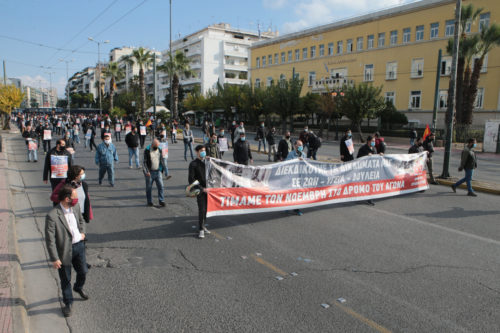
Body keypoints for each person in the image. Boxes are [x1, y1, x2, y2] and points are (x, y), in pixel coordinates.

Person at [45, 185, 89, 317]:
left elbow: (81, 221)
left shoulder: (75, 207)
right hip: (64, 250)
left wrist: (83, 233)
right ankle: (68, 303)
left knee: (83, 271)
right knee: (66, 279)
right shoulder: (52, 215)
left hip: (79, 246)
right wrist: (54, 258)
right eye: (74, 197)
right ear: (66, 198)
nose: (77, 199)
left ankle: (78, 287)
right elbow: (50, 239)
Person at [188, 145, 210, 239]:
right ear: (197, 152)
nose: (203, 152)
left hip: (209, 190)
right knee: (202, 209)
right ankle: (201, 229)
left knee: (207, 210)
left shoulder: (208, 162)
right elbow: (191, 180)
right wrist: (202, 189)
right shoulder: (193, 164)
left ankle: (203, 226)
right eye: (201, 151)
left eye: (204, 150)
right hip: (200, 190)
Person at [143, 139, 166, 207]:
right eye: (156, 146)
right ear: (152, 144)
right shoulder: (147, 150)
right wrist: (147, 171)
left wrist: (163, 169)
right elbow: (144, 162)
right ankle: (149, 201)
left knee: (161, 186)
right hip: (150, 172)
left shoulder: (159, 149)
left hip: (158, 171)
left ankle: (161, 200)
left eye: (158, 146)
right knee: (149, 188)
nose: (157, 147)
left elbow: (161, 159)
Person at [286, 140, 305, 216]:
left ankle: (297, 209)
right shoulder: (291, 154)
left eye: (302, 145)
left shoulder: (303, 154)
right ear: (295, 146)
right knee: (290, 193)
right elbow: (286, 163)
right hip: (292, 177)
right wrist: (296, 160)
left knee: (298, 194)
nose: (300, 147)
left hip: (299, 177)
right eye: (299, 145)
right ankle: (287, 206)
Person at [357, 136, 376, 205]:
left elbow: (376, 157)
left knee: (370, 184)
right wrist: (366, 156)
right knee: (364, 184)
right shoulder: (363, 148)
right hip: (364, 170)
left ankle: (369, 198)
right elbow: (358, 158)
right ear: (369, 141)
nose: (374, 142)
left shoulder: (374, 148)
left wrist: (380, 155)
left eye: (374, 141)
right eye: (373, 141)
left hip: (372, 170)